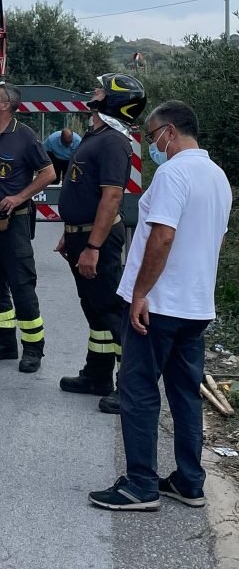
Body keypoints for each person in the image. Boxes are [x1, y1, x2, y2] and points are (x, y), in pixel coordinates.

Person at [89, 100, 232, 511]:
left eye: (152, 137)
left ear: (170, 132)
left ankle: (140, 485)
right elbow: (215, 241)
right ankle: (189, 481)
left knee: (138, 392)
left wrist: (139, 293)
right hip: (195, 305)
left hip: (159, 305)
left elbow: (163, 236)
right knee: (185, 394)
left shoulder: (174, 173)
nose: (152, 145)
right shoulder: (217, 177)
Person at [56, 74, 146, 414]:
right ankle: (97, 375)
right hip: (83, 235)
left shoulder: (112, 142)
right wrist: (72, 233)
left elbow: (111, 198)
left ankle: (131, 389)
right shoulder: (97, 135)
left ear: (112, 100)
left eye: (99, 90)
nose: (93, 92)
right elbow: (84, 189)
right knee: (95, 310)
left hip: (99, 240)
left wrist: (93, 246)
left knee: (112, 311)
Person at [0, 82, 56, 373]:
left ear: (6, 105)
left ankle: (33, 349)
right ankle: (4, 342)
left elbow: (49, 173)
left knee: (21, 284)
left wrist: (18, 197)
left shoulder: (25, 136)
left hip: (13, 222)